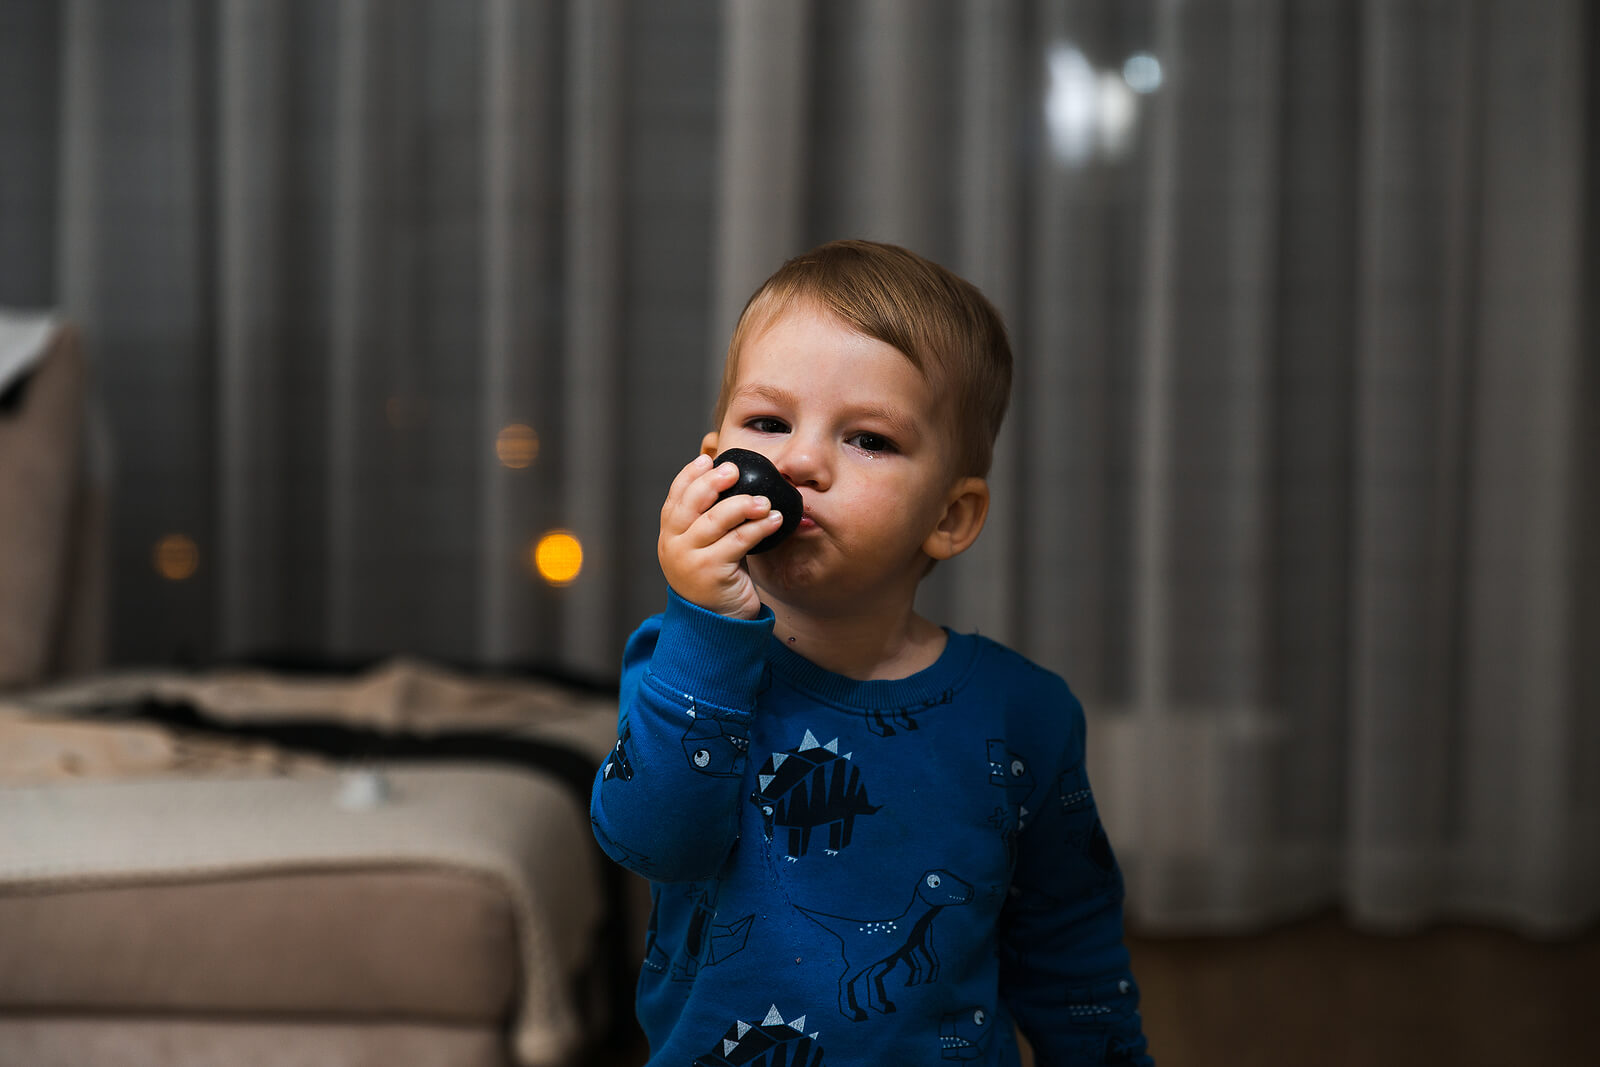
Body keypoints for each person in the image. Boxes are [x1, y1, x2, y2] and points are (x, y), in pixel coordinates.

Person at [590, 239, 1152, 1065]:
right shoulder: (682, 663)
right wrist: (705, 627)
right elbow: (652, 842)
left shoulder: (1024, 714)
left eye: (870, 440)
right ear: (715, 463)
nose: (803, 461)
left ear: (950, 517)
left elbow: (1073, 949)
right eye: (769, 423)